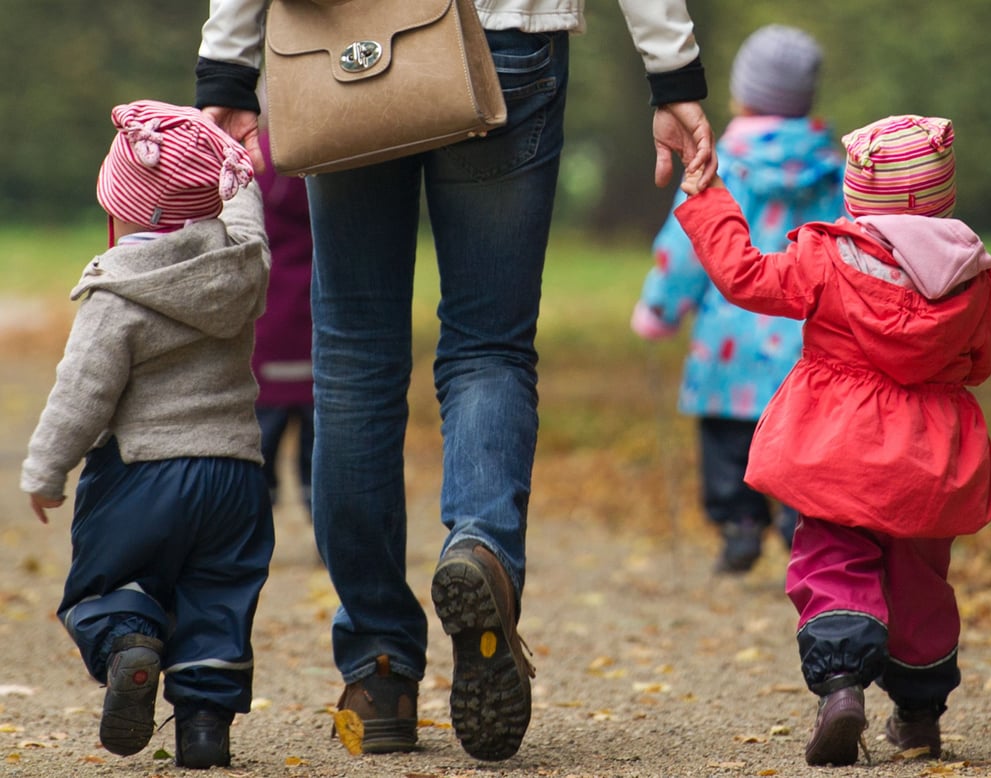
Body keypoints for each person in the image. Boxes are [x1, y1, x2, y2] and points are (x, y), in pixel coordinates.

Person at [194, 0, 716, 761]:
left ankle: (378, 670)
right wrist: (673, 70)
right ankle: (482, 549)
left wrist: (228, 67)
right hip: (507, 40)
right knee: (490, 346)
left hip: (345, 39)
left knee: (352, 358)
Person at [673, 114, 991, 766]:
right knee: (920, 584)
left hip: (836, 449)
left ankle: (841, 688)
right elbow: (984, 360)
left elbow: (745, 276)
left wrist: (708, 199)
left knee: (831, 562)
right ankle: (918, 717)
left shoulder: (826, 258)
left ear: (858, 196)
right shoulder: (971, 280)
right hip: (928, 461)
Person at [20, 100, 275, 770]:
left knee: (109, 586)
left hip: (141, 474)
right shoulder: (242, 267)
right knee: (218, 599)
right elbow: (250, 224)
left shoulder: (118, 292)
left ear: (122, 209)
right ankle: (203, 731)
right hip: (235, 475)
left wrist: (46, 471)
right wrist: (236, 172)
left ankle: (130, 646)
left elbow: (82, 393)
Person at [631, 24, 846, 574]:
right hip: (808, 338)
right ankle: (800, 521)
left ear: (744, 94)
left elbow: (687, 246)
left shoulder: (720, 162)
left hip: (731, 340)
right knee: (803, 438)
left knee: (729, 438)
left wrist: (660, 307)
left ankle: (739, 523)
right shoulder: (835, 168)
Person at [252, 130, 315, 519]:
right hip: (317, 319)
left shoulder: (255, 160)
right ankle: (332, 531)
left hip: (267, 326)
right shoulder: (329, 153)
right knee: (323, 448)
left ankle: (248, 528)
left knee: (258, 448)